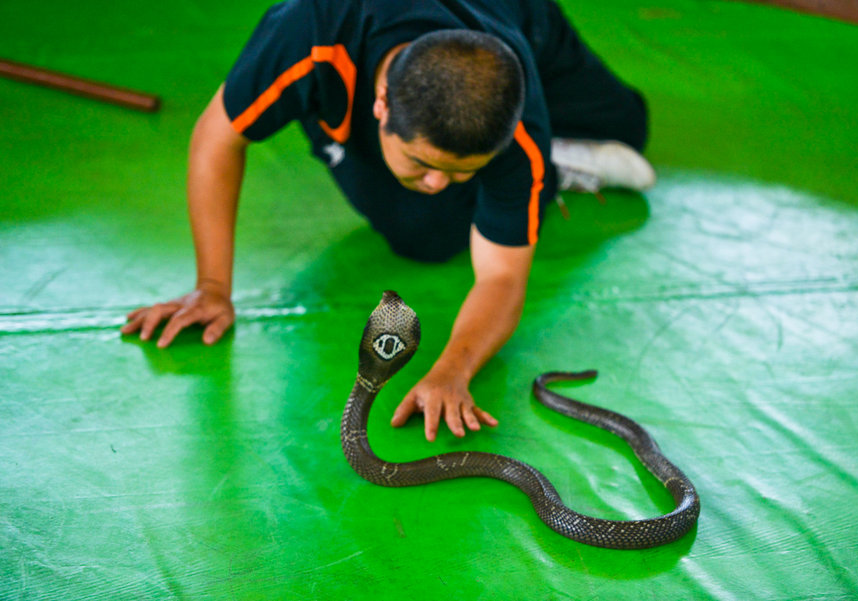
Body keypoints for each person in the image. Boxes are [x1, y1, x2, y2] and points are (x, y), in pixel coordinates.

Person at [121, 0, 655, 442]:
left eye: (460, 170)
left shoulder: (519, 125)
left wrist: (454, 368)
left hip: (512, 18)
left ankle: (548, 163)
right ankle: (352, 127)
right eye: (423, 163)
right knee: (427, 234)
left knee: (629, 126)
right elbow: (218, 136)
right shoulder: (308, 32)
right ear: (380, 103)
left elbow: (502, 277)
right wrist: (212, 286)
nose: (436, 182)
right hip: (348, 62)